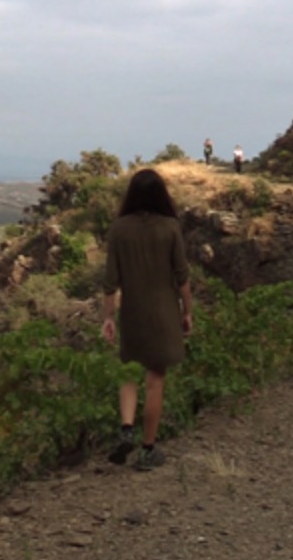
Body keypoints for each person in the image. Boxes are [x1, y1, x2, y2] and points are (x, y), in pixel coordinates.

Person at [102, 168, 193, 471]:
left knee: (128, 369)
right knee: (156, 379)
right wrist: (187, 311)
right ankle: (148, 449)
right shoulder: (170, 227)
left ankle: (126, 427)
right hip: (164, 310)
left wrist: (108, 317)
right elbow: (182, 277)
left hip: (132, 313)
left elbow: (110, 281)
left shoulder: (118, 229)